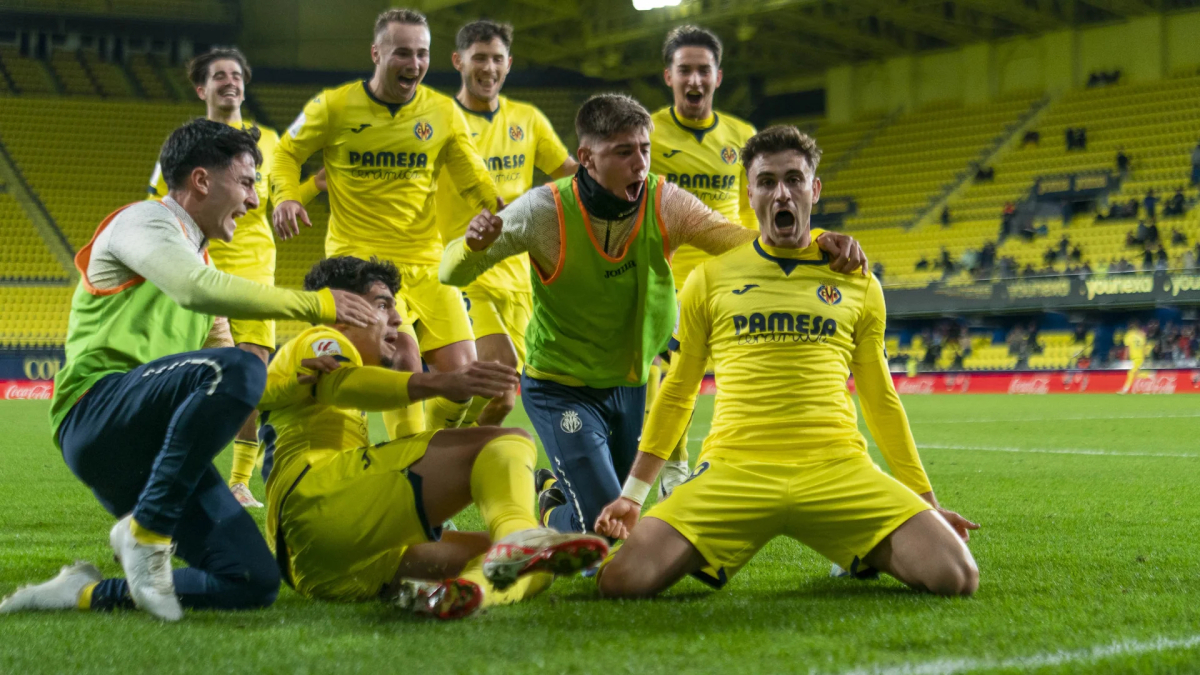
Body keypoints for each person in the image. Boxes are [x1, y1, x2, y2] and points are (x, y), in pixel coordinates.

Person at [439, 94, 867, 536]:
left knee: (622, 517)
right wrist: (471, 244)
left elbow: (735, 241)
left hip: (630, 386)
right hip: (560, 387)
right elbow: (450, 273)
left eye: (644, 149)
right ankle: (549, 505)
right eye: (623, 152)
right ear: (586, 157)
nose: (640, 164)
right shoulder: (543, 211)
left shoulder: (664, 202)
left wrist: (814, 240)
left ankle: (559, 495)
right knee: (604, 527)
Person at [0, 120, 375, 620]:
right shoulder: (144, 221)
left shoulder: (197, 259)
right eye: (245, 183)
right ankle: (147, 532)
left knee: (250, 579)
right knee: (239, 364)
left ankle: (81, 592)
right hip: (96, 416)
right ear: (201, 181)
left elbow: (238, 383)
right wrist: (316, 304)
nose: (252, 200)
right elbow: (194, 291)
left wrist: (299, 382)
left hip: (155, 458)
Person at [591, 125, 979, 599]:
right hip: (735, 469)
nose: (782, 193)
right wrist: (632, 496)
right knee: (621, 583)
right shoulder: (710, 278)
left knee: (956, 576)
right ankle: (853, 549)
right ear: (750, 192)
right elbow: (677, 390)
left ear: (814, 189)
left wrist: (926, 501)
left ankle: (858, 545)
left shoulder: (857, 281)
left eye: (794, 180)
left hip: (837, 468)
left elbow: (880, 397)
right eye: (767, 181)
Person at [260, 256, 606, 617]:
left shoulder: (319, 360)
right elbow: (340, 385)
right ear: (341, 311)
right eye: (382, 305)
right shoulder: (323, 337)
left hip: (323, 568)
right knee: (509, 440)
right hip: (319, 503)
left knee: (534, 565)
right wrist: (443, 381)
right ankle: (519, 536)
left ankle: (472, 591)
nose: (396, 318)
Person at [272, 8, 501, 438]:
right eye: (402, 53)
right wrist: (285, 197)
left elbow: (473, 174)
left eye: (422, 54)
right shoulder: (333, 106)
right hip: (359, 264)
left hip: (426, 262)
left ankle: (432, 453)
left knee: (463, 381)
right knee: (403, 362)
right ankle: (410, 466)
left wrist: (495, 207)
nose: (414, 65)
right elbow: (285, 154)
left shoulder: (442, 112)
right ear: (376, 52)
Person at [146, 47, 324, 509]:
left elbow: (273, 199)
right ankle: (178, 468)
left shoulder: (269, 144)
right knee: (198, 377)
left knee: (251, 374)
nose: (231, 82)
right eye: (219, 76)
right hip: (199, 268)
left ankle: (240, 482)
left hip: (255, 272)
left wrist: (309, 190)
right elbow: (159, 205)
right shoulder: (189, 145)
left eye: (237, 75)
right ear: (201, 88)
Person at [434, 20, 577, 427]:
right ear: (458, 61)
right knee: (498, 382)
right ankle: (429, 456)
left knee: (499, 401)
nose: (489, 67)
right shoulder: (441, 121)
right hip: (465, 272)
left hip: (519, 277)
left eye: (498, 59)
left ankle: (451, 461)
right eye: (479, 58)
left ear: (509, 64)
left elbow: (568, 172)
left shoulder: (527, 119)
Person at [647, 25, 759, 497]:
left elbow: (752, 210)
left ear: (718, 76)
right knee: (672, 373)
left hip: (729, 278)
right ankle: (674, 468)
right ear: (668, 75)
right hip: (665, 277)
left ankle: (736, 464)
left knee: (748, 380)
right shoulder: (648, 131)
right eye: (685, 70)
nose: (695, 80)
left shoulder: (743, 136)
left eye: (703, 70)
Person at [1119, 320, 1147, 394]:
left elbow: (1127, 347)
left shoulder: (1129, 334)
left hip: (1134, 358)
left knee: (1131, 373)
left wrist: (1124, 358)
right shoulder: (1142, 334)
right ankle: (1143, 388)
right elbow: (1144, 347)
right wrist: (1144, 357)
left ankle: (1125, 389)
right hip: (1141, 357)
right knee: (1137, 373)